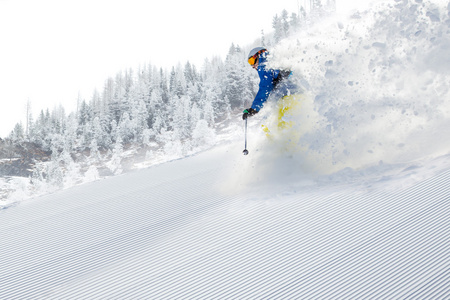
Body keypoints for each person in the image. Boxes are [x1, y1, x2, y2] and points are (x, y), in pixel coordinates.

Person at [242, 47, 296, 120]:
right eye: (250, 63)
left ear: (258, 55)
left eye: (251, 61)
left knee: (282, 125)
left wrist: (254, 109)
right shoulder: (273, 60)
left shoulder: (263, 64)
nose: (252, 66)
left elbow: (265, 86)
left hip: (289, 96)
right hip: (295, 93)